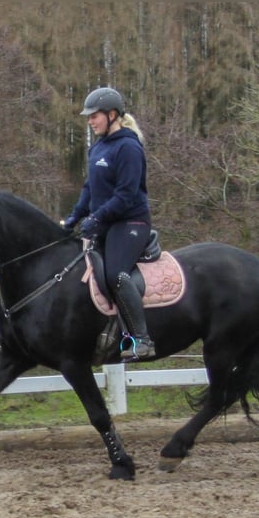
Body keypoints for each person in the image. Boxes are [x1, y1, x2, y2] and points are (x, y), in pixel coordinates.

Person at [62, 87, 156, 361]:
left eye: (94, 116)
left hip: (131, 222)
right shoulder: (98, 147)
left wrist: (96, 218)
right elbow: (90, 189)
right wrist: (74, 219)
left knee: (116, 274)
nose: (90, 121)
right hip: (105, 223)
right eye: (88, 117)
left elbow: (126, 195)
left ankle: (141, 340)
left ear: (112, 115)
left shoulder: (128, 147)